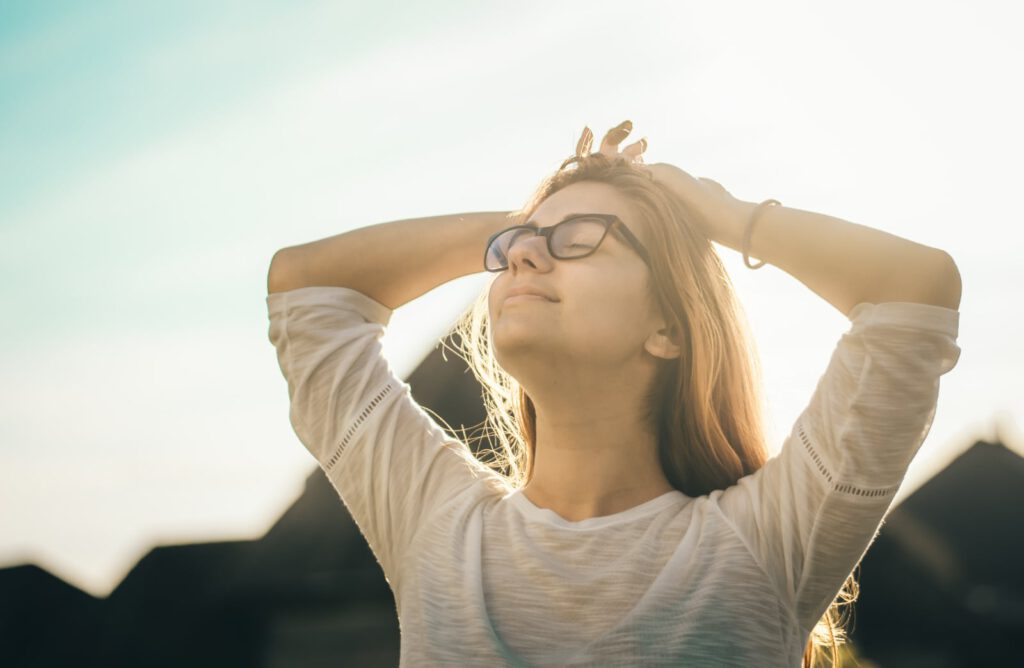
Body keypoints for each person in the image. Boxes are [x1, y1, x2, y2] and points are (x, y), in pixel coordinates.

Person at [266, 120, 962, 667]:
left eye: (580, 240)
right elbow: (306, 288)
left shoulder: (764, 541)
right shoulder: (437, 525)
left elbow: (913, 291)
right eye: (515, 248)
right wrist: (524, 221)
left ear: (668, 326)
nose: (524, 255)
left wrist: (720, 215)